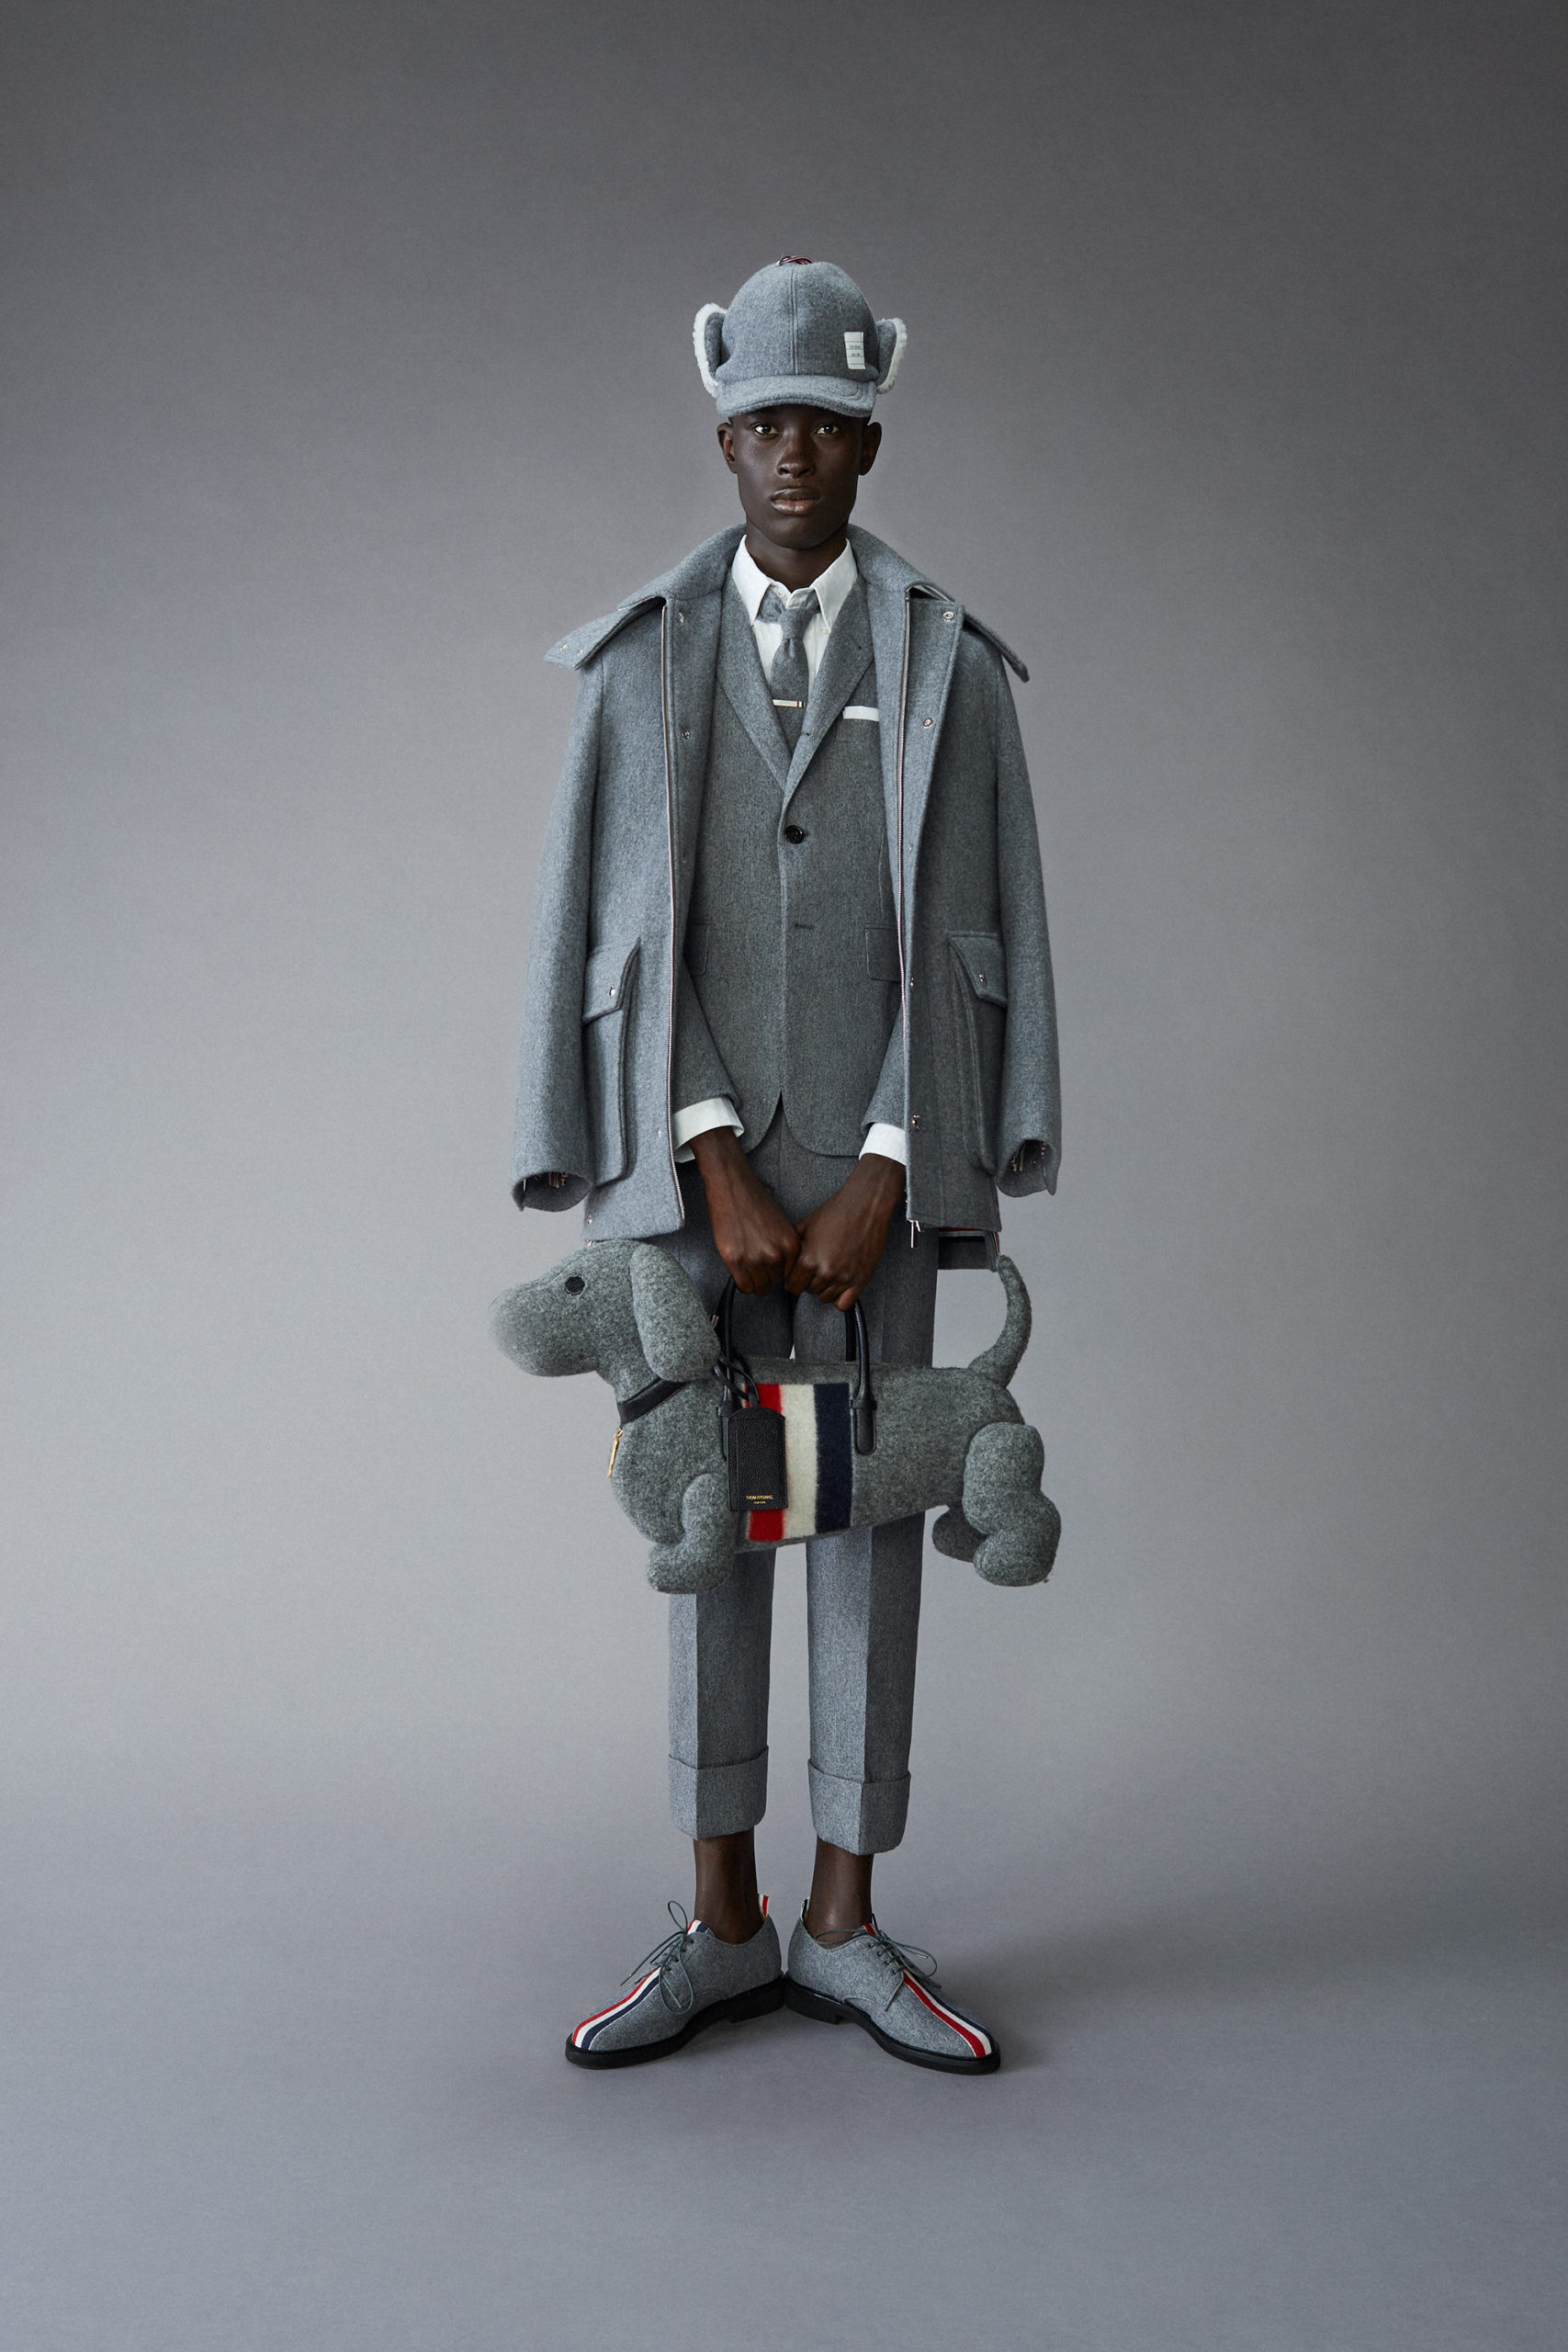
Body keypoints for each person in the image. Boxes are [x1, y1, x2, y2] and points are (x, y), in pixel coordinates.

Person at [513, 259, 1060, 2074]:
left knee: (872, 1529)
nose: (794, 454)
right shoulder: (638, 663)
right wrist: (705, 1153)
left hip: (873, 1182)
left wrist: (894, 1161)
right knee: (707, 1520)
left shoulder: (948, 666)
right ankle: (720, 1918)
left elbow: (982, 926)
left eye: (826, 422)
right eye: (763, 423)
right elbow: (609, 924)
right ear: (722, 438)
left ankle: (842, 1917)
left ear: (871, 439)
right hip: (702, 1187)